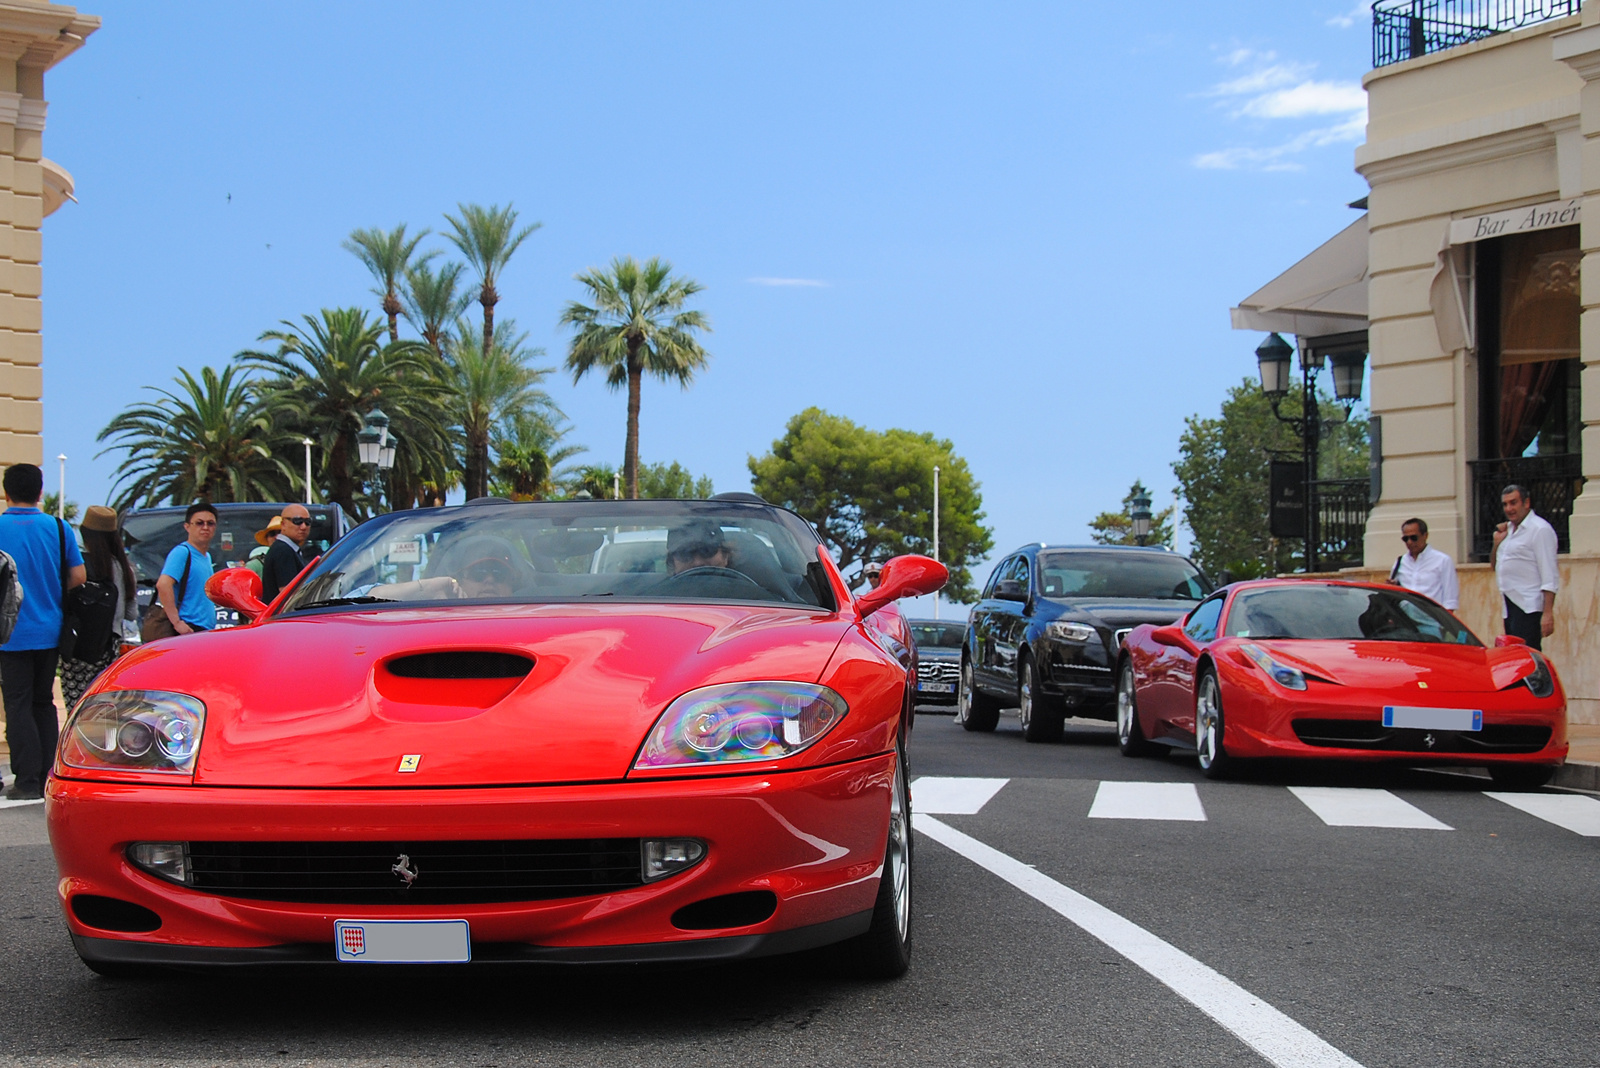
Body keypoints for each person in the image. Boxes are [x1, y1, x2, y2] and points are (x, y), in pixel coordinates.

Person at [0, 463, 85, 800]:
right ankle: (49, 772)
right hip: (50, 629)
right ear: (39, 492)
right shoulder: (59, 528)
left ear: (7, 492)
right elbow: (78, 576)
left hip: (10, 632)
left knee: (16, 703)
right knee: (44, 701)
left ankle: (26, 781)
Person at [59, 505, 138, 709]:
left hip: (78, 643)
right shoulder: (123, 568)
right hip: (109, 645)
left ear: (85, 534)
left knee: (76, 706)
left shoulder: (79, 565)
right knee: (101, 707)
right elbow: (131, 613)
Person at [1491, 483, 1559, 649]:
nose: (1509, 508)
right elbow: (1494, 566)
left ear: (1526, 503)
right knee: (1514, 660)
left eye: (1513, 503)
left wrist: (1548, 613)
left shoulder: (1539, 529)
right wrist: (1497, 543)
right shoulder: (1508, 531)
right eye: (1505, 504)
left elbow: (1549, 574)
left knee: (1527, 659)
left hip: (1528, 606)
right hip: (1510, 605)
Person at [155, 502, 217, 636]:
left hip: (205, 629)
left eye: (210, 523)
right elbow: (163, 584)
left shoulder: (207, 557)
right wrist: (177, 622)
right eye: (199, 523)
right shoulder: (182, 553)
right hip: (188, 628)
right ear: (187, 527)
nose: (205, 527)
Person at [1389, 518, 1459, 610]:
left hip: (1432, 618)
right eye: (1405, 539)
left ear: (1425, 536)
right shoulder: (1400, 562)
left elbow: (1450, 600)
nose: (1409, 542)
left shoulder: (1442, 560)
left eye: (1414, 538)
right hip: (1405, 619)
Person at [260, 504, 311, 602]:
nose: (303, 527)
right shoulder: (283, 551)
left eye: (307, 522)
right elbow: (288, 595)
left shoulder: (287, 549)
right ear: (283, 524)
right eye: (297, 521)